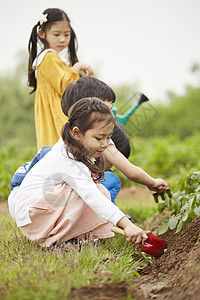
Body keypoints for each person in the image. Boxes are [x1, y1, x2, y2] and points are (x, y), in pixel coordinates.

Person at [8, 98, 167, 250]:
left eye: (109, 138)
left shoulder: (70, 145)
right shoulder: (68, 159)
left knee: (100, 190)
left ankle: (70, 237)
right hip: (34, 218)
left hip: (34, 214)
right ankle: (56, 240)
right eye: (99, 138)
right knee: (89, 193)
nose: (105, 144)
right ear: (77, 133)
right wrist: (127, 225)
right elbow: (92, 197)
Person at [61, 77, 167, 194]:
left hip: (58, 196)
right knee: (110, 180)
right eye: (108, 109)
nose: (112, 115)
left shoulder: (69, 134)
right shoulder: (101, 141)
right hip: (77, 194)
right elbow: (131, 171)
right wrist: (152, 182)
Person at [28, 8, 94, 150]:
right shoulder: (48, 58)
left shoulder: (54, 58)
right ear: (42, 33)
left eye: (66, 34)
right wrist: (76, 67)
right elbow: (67, 87)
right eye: (56, 34)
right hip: (57, 120)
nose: (62, 39)